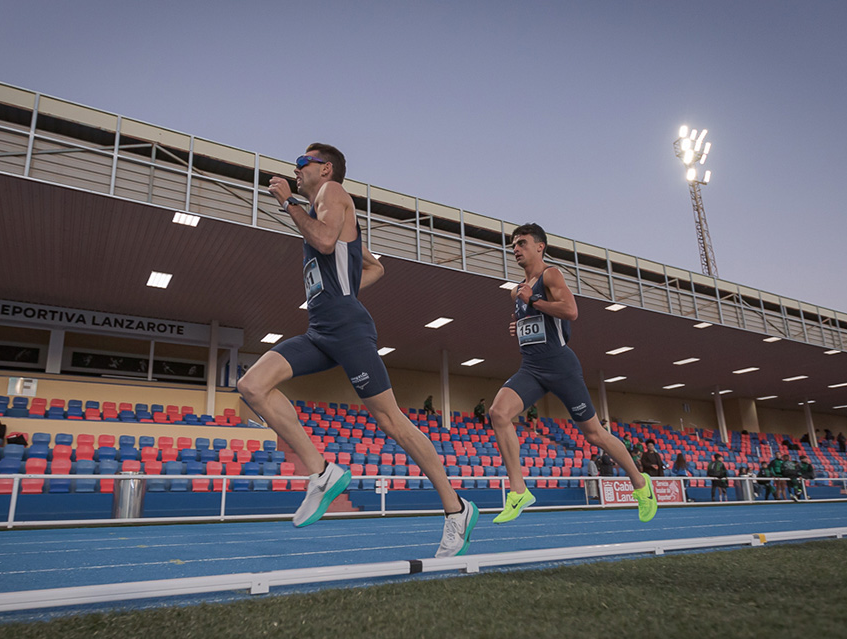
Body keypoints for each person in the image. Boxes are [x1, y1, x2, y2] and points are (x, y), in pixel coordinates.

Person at [239, 143, 477, 558]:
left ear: (325, 169)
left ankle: (456, 510)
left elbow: (327, 242)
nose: (296, 169)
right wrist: (339, 287)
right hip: (320, 329)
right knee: (253, 385)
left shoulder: (332, 195)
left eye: (302, 163)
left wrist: (288, 202)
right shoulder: (319, 210)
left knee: (392, 422)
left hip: (347, 328)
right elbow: (373, 265)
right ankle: (322, 472)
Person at [487, 222, 656, 524]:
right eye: (513, 244)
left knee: (594, 435)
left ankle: (641, 485)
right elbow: (534, 318)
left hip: (560, 367)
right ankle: (518, 491)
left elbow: (570, 311)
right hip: (532, 369)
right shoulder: (516, 291)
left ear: (540, 246)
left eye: (522, 243)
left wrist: (533, 300)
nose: (515, 249)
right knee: (498, 413)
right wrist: (519, 323)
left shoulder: (550, 275)